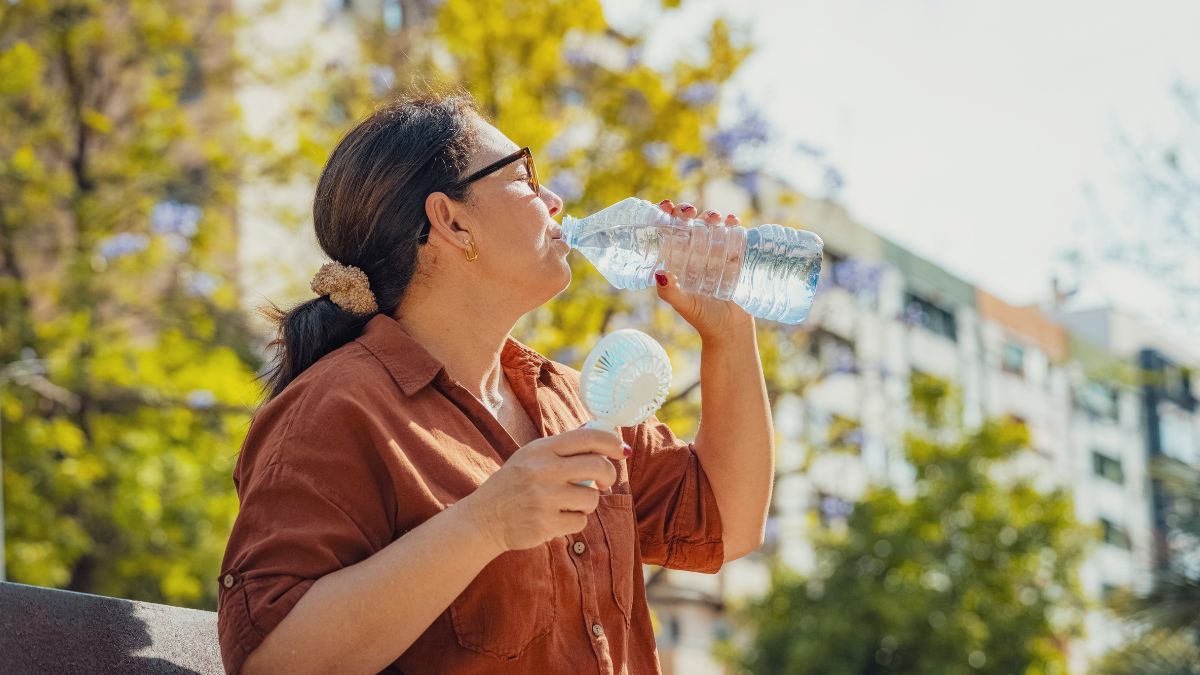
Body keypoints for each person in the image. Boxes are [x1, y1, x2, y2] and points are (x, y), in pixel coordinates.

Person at [216, 92, 775, 675]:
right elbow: (271, 660)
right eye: (525, 177)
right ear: (452, 221)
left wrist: (729, 330)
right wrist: (484, 523)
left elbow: (727, 523)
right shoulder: (336, 406)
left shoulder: (573, 398)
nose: (554, 200)